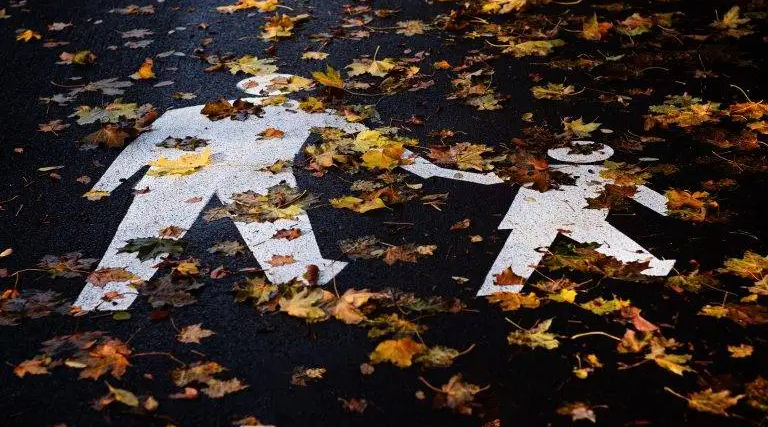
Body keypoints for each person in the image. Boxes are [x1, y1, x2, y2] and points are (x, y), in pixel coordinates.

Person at [76, 74, 501, 311]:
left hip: (217, 178)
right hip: (233, 178)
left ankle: (105, 297)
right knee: (273, 232)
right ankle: (103, 296)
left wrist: (106, 186)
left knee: (280, 240)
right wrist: (107, 184)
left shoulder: (283, 113)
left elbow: (143, 148)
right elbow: (145, 146)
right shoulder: (288, 111)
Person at [477, 140, 675, 296]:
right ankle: (498, 291)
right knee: (520, 251)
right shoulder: (547, 170)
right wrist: (669, 207)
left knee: (520, 250)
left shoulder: (548, 170)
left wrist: (668, 207)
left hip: (566, 217)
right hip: (554, 217)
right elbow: (492, 178)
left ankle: (498, 293)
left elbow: (490, 179)